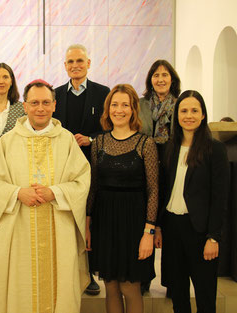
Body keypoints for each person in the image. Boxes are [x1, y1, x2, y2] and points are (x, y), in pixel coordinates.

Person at [0, 79, 91, 313]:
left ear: (54, 105)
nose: (40, 108)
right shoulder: (8, 142)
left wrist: (56, 192)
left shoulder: (67, 140)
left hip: (58, 228)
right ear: (25, 106)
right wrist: (17, 193)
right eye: (34, 103)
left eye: (45, 102)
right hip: (18, 230)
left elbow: (82, 180)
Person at [155, 90, 229, 313]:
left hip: (200, 230)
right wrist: (158, 226)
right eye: (184, 110)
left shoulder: (215, 149)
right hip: (173, 228)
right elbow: (164, 190)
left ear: (203, 115)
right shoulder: (170, 147)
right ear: (176, 115)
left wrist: (214, 237)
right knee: (178, 294)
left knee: (205, 295)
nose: (189, 115)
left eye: (194, 110)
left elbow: (220, 196)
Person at [86, 84, 158, 313]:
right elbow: (93, 188)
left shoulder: (145, 143)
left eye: (125, 105)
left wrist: (149, 233)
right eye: (114, 105)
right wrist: (88, 226)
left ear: (133, 109)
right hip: (105, 222)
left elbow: (153, 190)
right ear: (108, 109)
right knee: (111, 287)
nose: (119, 110)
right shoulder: (98, 143)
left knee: (130, 287)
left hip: (134, 224)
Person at [53, 43, 110, 295]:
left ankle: (90, 274)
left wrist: (91, 139)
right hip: (62, 168)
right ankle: (66, 271)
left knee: (90, 219)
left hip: (94, 164)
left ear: (89, 63)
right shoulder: (55, 94)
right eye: (70, 62)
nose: (75, 65)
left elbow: (111, 128)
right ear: (65, 66)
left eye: (79, 61)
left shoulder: (103, 93)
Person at [138, 59, 181, 294]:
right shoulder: (141, 104)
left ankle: (172, 282)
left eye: (165, 75)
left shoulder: (181, 103)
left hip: (172, 166)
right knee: (147, 222)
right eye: (156, 75)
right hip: (146, 164)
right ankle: (144, 278)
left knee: (171, 225)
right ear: (150, 80)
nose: (160, 79)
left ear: (172, 79)